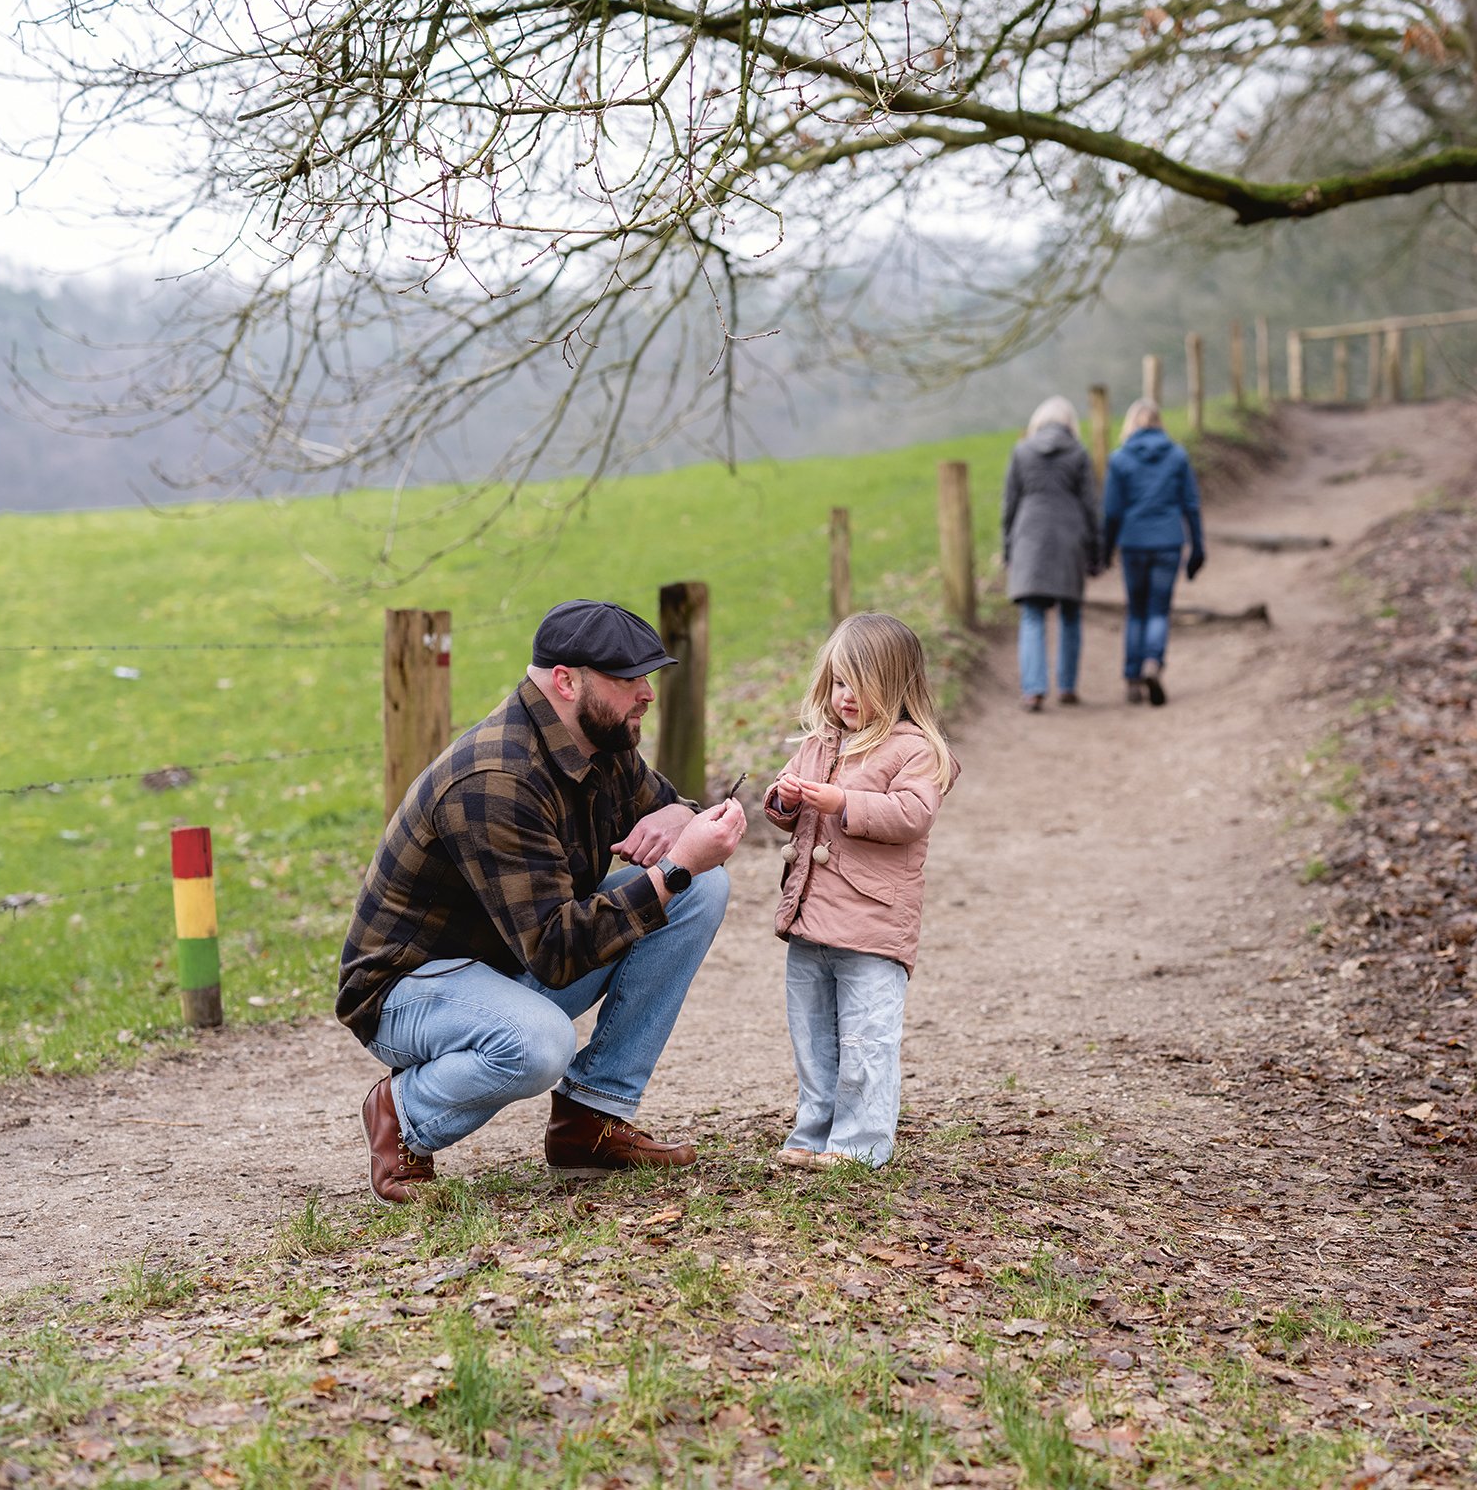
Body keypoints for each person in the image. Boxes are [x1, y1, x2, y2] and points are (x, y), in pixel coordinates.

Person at [338, 599, 748, 1202]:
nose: (647, 694)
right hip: (408, 988)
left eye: (649, 677)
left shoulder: (598, 738)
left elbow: (665, 804)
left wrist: (679, 815)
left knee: (702, 889)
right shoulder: (496, 780)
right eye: (629, 679)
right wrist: (679, 865)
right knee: (539, 1044)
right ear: (566, 680)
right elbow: (558, 953)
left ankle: (590, 1119)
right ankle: (404, 1113)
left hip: (506, 963)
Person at [761, 613, 959, 1169]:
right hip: (809, 918)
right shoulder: (822, 743)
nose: (845, 697)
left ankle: (860, 1145)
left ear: (895, 684)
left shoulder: (915, 749)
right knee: (813, 1038)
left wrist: (840, 802)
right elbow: (787, 817)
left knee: (866, 1040)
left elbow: (913, 815)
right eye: (838, 682)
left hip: (872, 924)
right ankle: (813, 1132)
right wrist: (785, 799)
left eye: (860, 683)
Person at [1102, 399, 1205, 707]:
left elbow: (1111, 512)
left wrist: (1106, 550)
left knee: (1136, 610)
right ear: (1160, 422)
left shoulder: (1119, 459)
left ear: (1131, 424)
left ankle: (1133, 680)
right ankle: (1153, 663)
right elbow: (1191, 505)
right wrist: (1198, 547)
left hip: (1133, 543)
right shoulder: (1177, 456)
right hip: (1168, 542)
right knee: (1159, 609)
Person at [1002, 396, 1101, 712]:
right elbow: (1091, 505)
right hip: (1069, 538)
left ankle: (1033, 690)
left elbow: (1009, 505)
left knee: (1032, 616)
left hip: (1029, 538)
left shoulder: (1021, 451)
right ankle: (1068, 686)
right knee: (1070, 615)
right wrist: (1096, 551)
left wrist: (1008, 549)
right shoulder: (1078, 452)